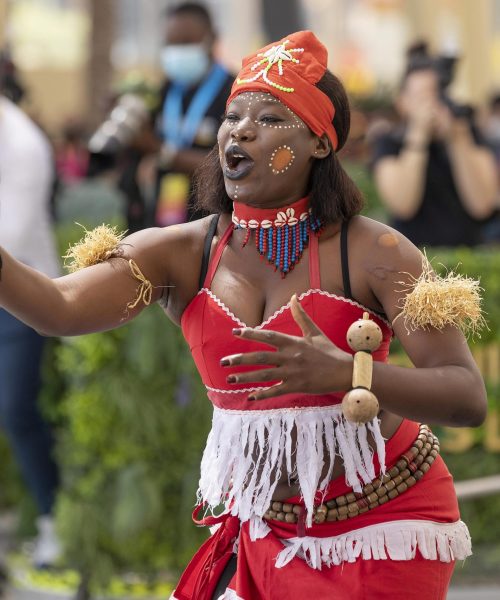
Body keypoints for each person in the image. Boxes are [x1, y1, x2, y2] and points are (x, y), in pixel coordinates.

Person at [0, 31, 487, 599]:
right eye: (233, 116)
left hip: (381, 531)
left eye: (272, 118)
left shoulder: (378, 253)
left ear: (319, 143)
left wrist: (350, 375)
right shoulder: (180, 253)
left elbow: (466, 396)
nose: (242, 129)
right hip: (263, 530)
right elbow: (56, 308)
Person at [0, 84, 61, 567]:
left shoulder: (22, 142)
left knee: (17, 410)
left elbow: (12, 235)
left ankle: (51, 522)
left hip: (21, 296)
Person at [371, 43, 497, 247]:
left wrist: (457, 139)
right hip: (414, 257)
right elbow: (402, 204)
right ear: (402, 102)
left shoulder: (467, 136)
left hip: (468, 254)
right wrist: (418, 136)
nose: (431, 104)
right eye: (421, 97)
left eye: (435, 95)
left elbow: (482, 205)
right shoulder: (390, 143)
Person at [147, 1, 234, 226]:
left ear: (211, 39)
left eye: (186, 42)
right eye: (171, 44)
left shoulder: (235, 92)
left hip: (215, 223)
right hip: (167, 216)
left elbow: (228, 163)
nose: (177, 52)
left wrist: (162, 152)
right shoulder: (164, 90)